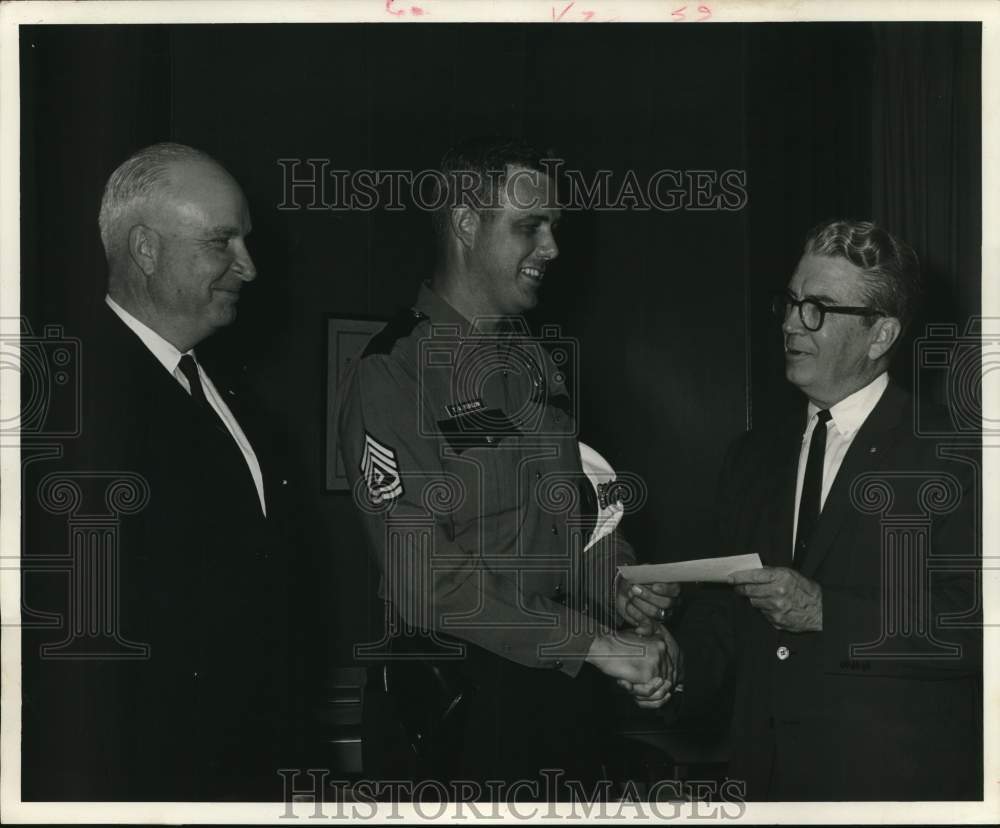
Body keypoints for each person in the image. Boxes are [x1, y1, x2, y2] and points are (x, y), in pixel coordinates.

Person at [337, 137, 681, 799]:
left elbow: (565, 525)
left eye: (554, 226)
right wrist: (597, 646)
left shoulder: (532, 364)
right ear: (466, 224)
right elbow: (422, 581)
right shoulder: (394, 370)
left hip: (556, 696)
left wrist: (618, 590)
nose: (552, 247)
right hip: (457, 716)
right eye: (530, 226)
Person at [628, 220, 982, 800]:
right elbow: (727, 622)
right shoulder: (751, 456)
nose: (792, 323)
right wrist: (673, 661)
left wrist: (827, 612)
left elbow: (977, 625)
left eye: (818, 308)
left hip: (891, 793)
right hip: (763, 786)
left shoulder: (953, 452)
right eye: (791, 302)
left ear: (880, 334)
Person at [21, 143, 304, 801]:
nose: (250, 266)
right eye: (221, 242)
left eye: (246, 239)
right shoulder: (67, 403)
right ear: (145, 250)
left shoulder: (233, 400)